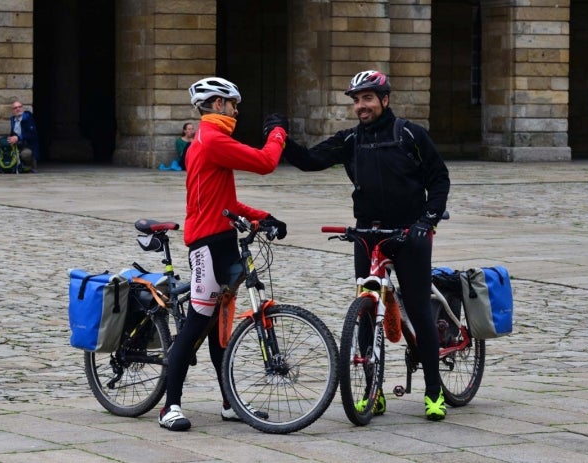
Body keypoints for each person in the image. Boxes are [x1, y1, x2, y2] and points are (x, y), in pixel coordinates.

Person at [266, 70, 451, 421]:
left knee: (418, 309)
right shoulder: (351, 140)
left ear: (385, 100)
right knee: (366, 312)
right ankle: (372, 390)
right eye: (356, 100)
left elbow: (439, 179)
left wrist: (427, 221)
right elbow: (309, 161)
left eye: (367, 98)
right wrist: (280, 136)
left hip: (410, 232)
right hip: (369, 234)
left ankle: (433, 390)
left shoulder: (410, 134)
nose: (360, 106)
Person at [158, 77, 288, 431]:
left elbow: (225, 203)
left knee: (219, 329)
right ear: (218, 104)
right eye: (233, 104)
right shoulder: (212, 139)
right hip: (206, 243)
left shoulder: (212, 139)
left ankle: (230, 403)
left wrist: (263, 217)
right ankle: (170, 406)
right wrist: (278, 132)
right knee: (199, 322)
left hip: (223, 237)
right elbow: (265, 162)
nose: (236, 110)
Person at [7, 101, 40, 173]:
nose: (18, 109)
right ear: (13, 111)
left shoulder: (28, 118)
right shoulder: (13, 119)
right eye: (15, 108)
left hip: (28, 145)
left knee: (25, 154)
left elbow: (32, 134)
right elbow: (13, 133)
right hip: (17, 145)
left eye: (19, 107)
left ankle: (30, 165)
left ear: (22, 108)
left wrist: (18, 138)